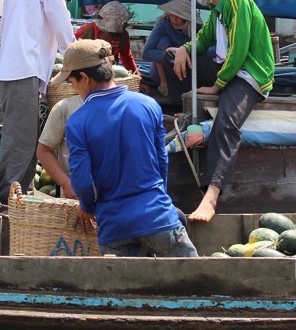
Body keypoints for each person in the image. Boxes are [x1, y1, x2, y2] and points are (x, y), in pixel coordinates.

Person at [54, 39, 198, 257]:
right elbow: (162, 161)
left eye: (72, 83)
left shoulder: (78, 122)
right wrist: (157, 198)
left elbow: (82, 180)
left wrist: (89, 207)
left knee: (122, 289)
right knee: (194, 280)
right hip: (158, 216)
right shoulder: (149, 105)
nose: (73, 89)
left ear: (84, 78)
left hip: (115, 227)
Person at [172, 0, 275, 222]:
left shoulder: (236, 0)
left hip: (248, 74)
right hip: (227, 70)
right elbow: (203, 40)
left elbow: (239, 50)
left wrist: (218, 85)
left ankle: (210, 197)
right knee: (172, 56)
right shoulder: (217, 10)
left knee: (226, 123)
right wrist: (183, 49)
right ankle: (182, 109)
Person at [0, 0, 76, 207]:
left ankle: (20, 198)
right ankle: (1, 203)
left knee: (27, 142)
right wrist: (76, 54)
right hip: (23, 70)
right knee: (20, 143)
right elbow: (59, 18)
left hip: (18, 69)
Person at [142, 0, 202, 103]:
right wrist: (173, 54)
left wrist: (184, 55)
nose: (174, 19)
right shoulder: (163, 24)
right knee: (162, 41)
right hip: (161, 73)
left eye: (178, 16)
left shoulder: (196, 28)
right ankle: (164, 83)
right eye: (172, 15)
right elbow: (146, 53)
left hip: (187, 70)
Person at [35, 94, 83, 199]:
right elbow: (44, 150)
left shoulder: (124, 105)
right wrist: (66, 184)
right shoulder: (65, 108)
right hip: (74, 201)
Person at [74, 1, 139, 74]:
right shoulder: (87, 30)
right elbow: (70, 49)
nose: (125, 24)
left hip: (110, 71)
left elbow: (127, 58)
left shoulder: (123, 35)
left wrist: (138, 77)